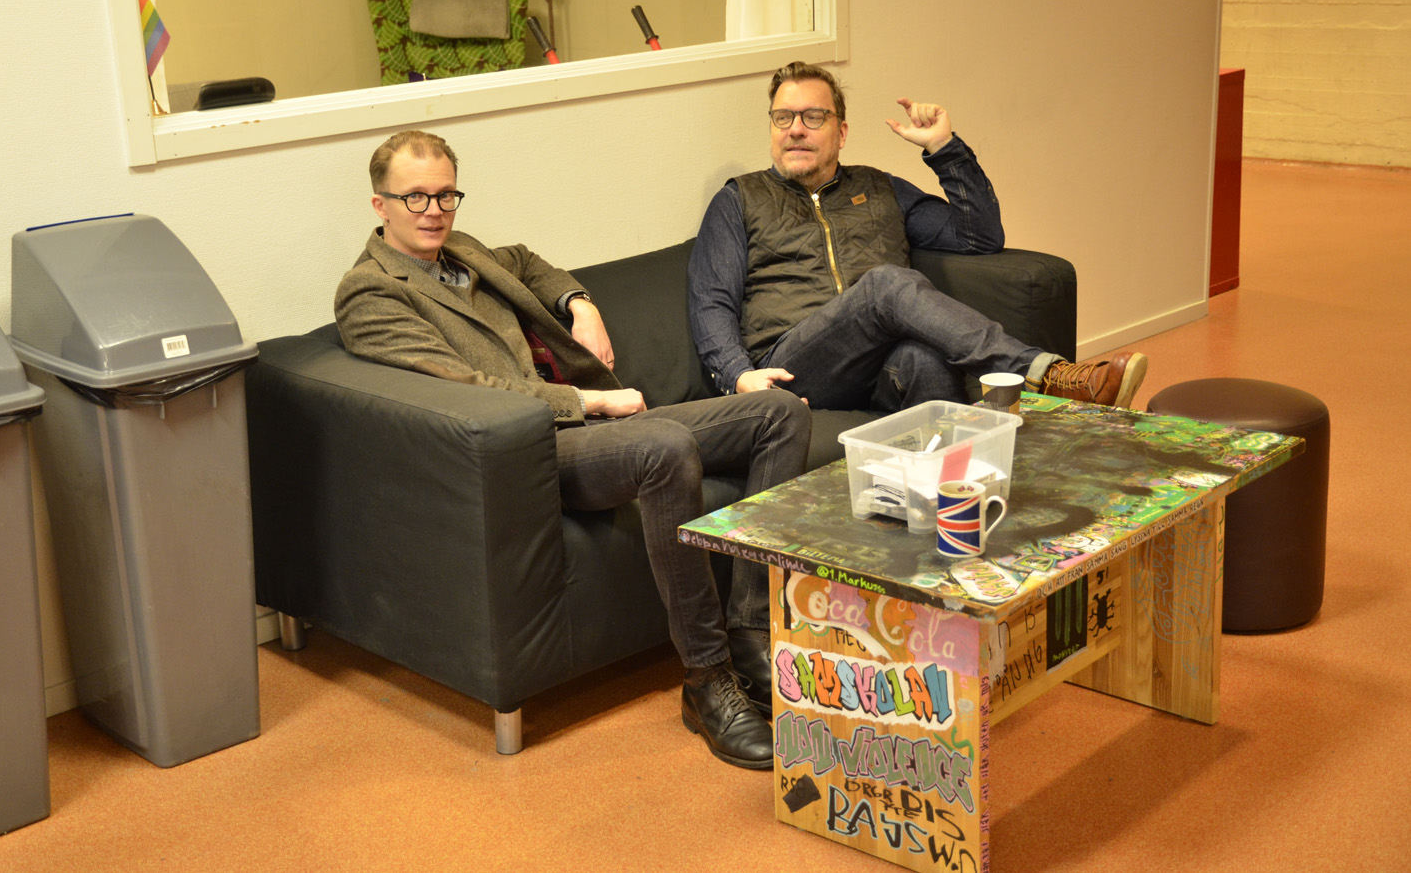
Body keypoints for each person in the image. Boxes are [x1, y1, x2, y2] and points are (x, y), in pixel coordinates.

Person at [335, 129, 810, 770]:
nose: (434, 211)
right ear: (380, 205)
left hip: (594, 430)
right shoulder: (371, 293)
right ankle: (707, 679)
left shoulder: (464, 250)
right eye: (415, 197)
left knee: (779, 413)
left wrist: (579, 304)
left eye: (446, 195)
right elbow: (464, 387)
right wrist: (589, 402)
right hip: (531, 450)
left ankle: (751, 631)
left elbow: (529, 262)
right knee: (665, 446)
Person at [688, 61, 1147, 413]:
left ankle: (955, 494)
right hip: (794, 369)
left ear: (841, 132)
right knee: (885, 284)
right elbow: (711, 302)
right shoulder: (740, 199)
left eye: (813, 117)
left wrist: (943, 149)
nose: (795, 130)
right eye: (783, 117)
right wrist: (739, 376)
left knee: (926, 360)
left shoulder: (878, 188)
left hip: (878, 364)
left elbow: (980, 237)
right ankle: (1045, 374)